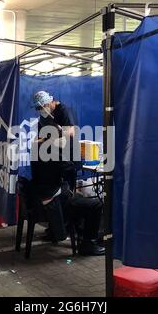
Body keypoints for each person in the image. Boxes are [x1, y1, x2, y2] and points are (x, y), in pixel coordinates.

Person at [30, 90, 104, 256]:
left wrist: (46, 139)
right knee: (60, 197)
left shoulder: (64, 111)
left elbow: (69, 132)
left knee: (67, 198)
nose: (40, 111)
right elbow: (42, 136)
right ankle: (56, 229)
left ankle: (70, 231)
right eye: (38, 109)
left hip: (67, 161)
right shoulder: (45, 118)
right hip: (55, 165)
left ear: (50, 102)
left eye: (42, 107)